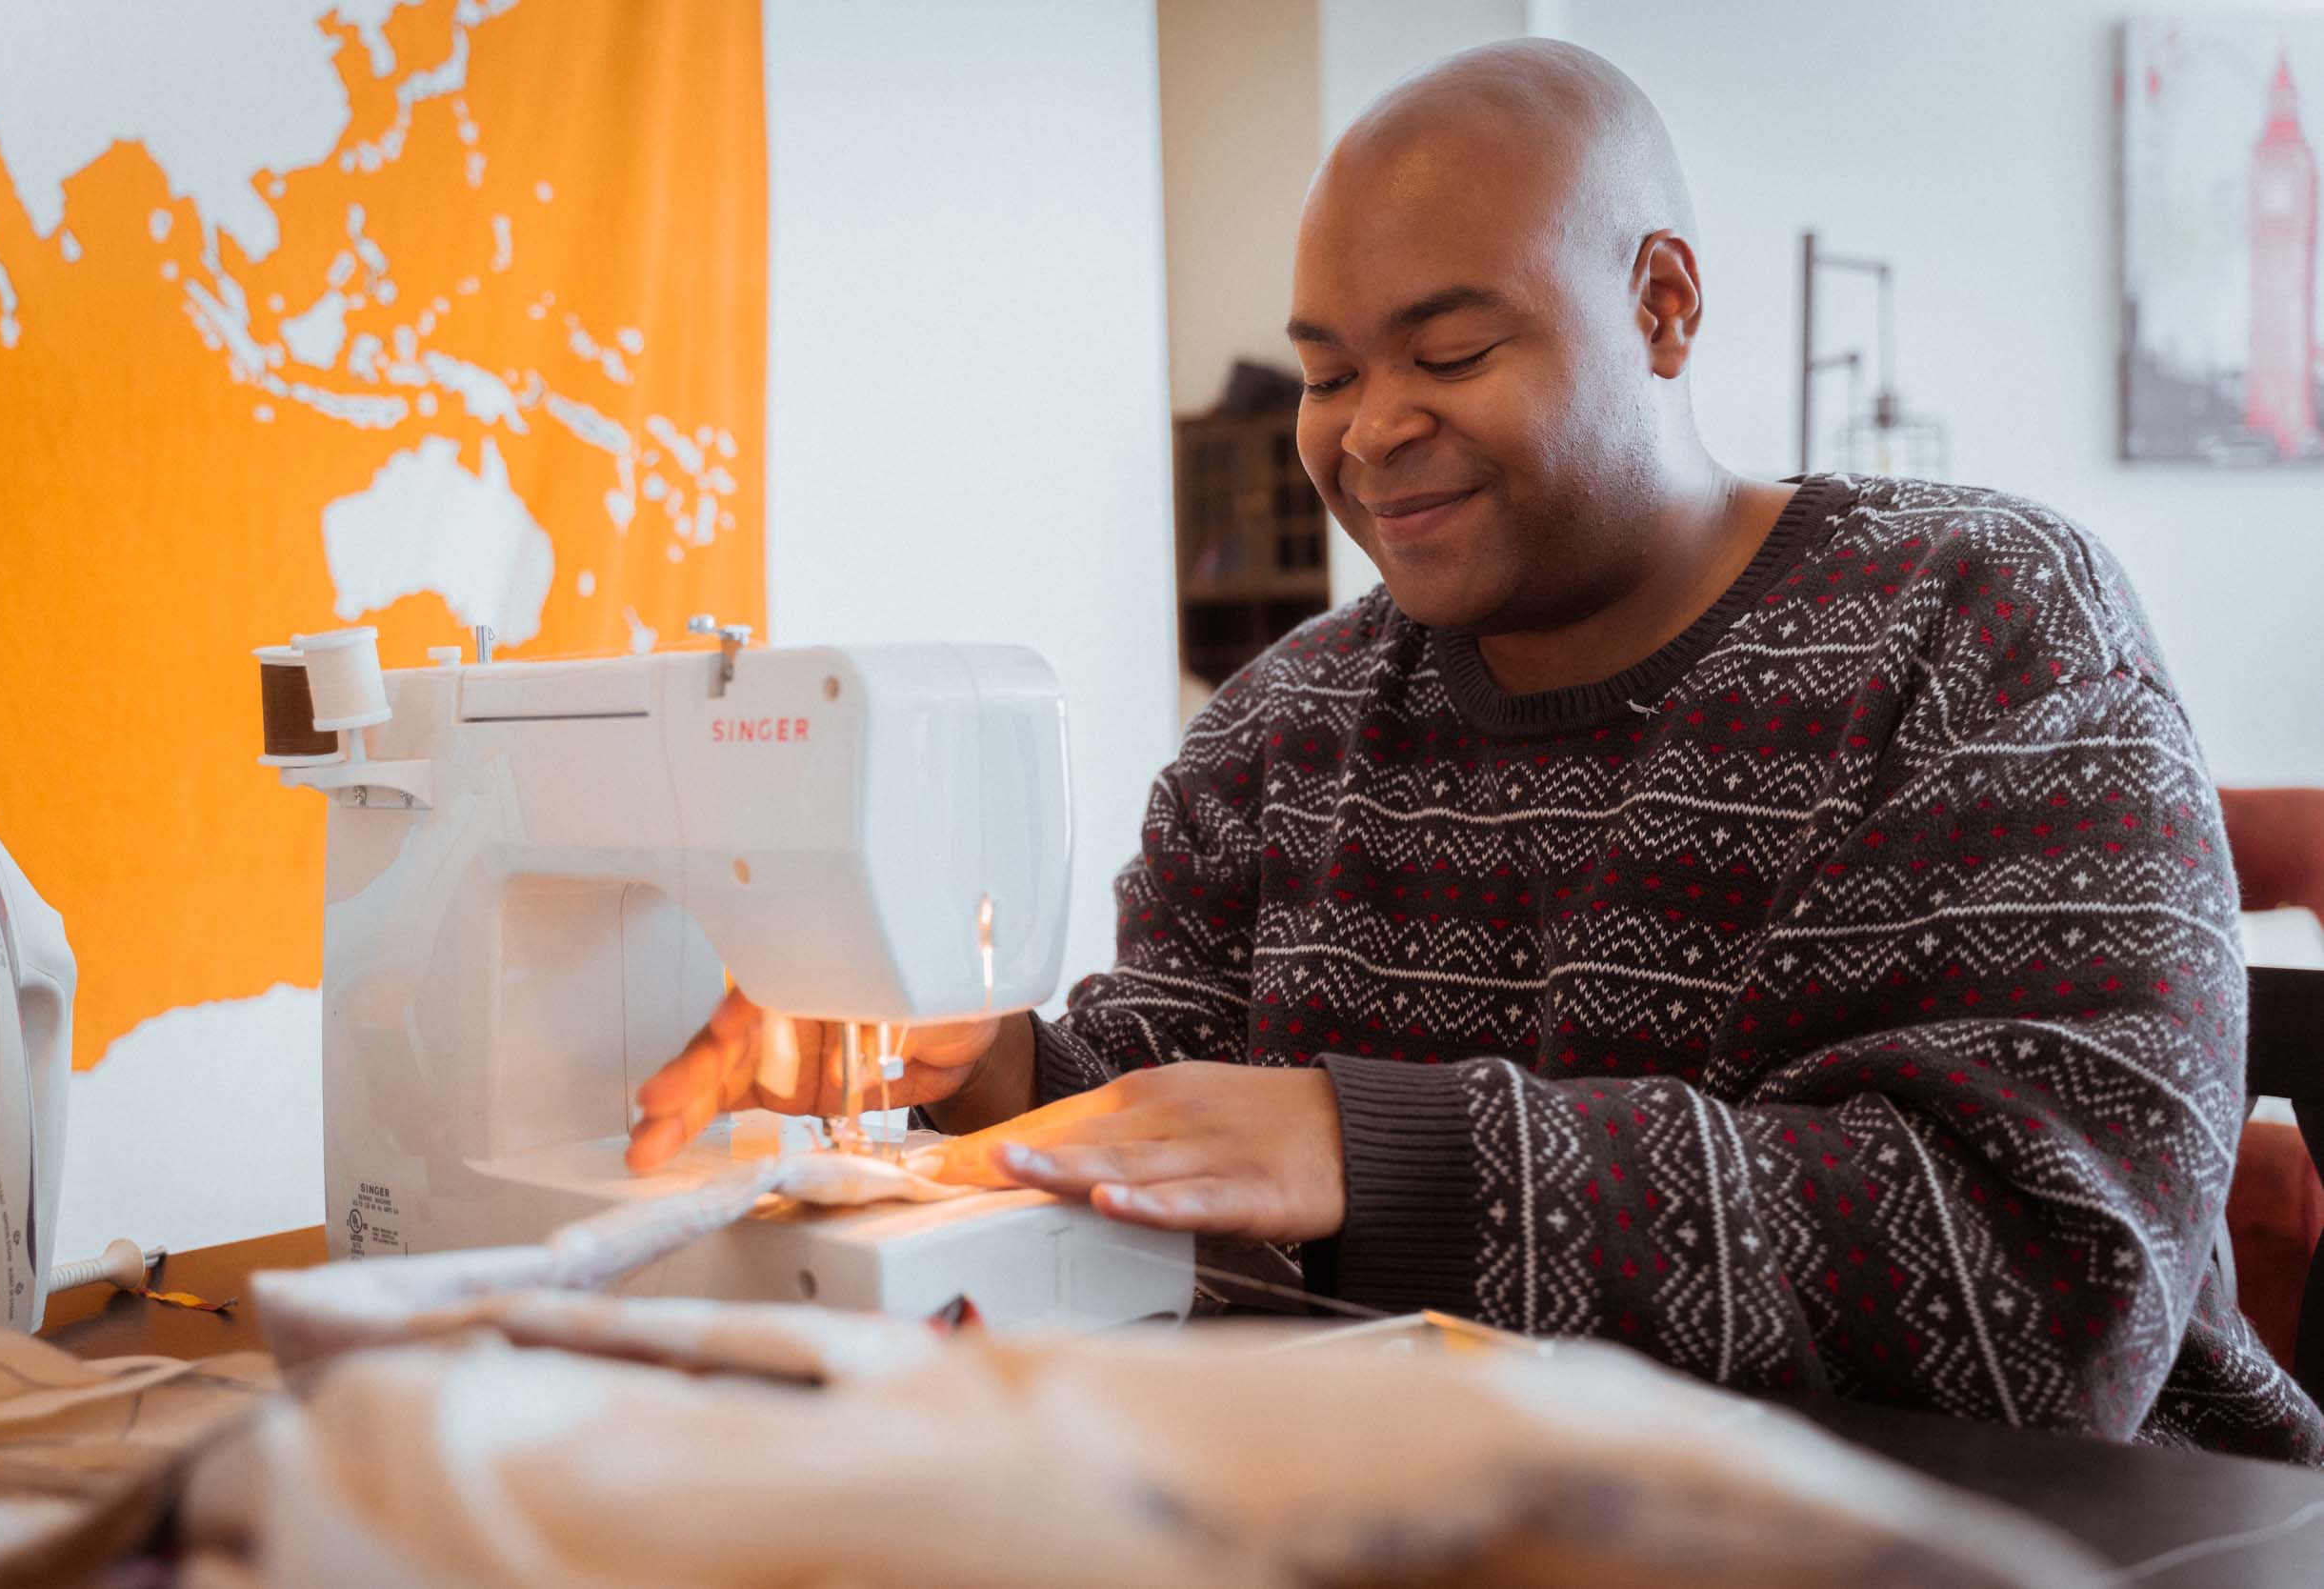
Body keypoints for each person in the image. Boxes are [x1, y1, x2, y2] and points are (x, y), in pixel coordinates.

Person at [629, 40, 2323, 1462]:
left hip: (2054, 1538)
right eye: (1326, 373)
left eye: (1450, 353)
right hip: (1470, 1507)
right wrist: (980, 1071)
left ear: (1663, 304)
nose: (1368, 432)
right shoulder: (1277, 740)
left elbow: (2043, 1297)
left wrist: (1375, 1154)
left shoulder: (1982, 624)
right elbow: (1182, 1115)